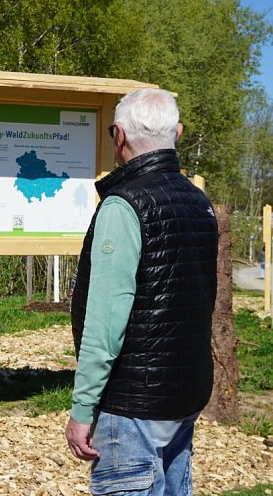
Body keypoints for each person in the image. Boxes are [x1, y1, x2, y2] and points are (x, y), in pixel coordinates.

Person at [65, 88, 218, 495]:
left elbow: (106, 320)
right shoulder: (199, 202)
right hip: (185, 395)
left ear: (119, 136)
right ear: (178, 133)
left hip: (132, 402)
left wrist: (83, 408)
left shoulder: (123, 205)